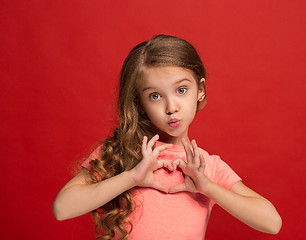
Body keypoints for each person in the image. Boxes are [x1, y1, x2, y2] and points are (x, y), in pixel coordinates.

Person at [52, 34, 282, 239]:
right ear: (140, 104)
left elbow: (272, 223)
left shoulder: (204, 166)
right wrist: (132, 178)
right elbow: (62, 209)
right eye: (155, 96)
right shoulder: (125, 153)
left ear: (200, 90)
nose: (171, 107)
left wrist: (207, 186)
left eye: (181, 90)